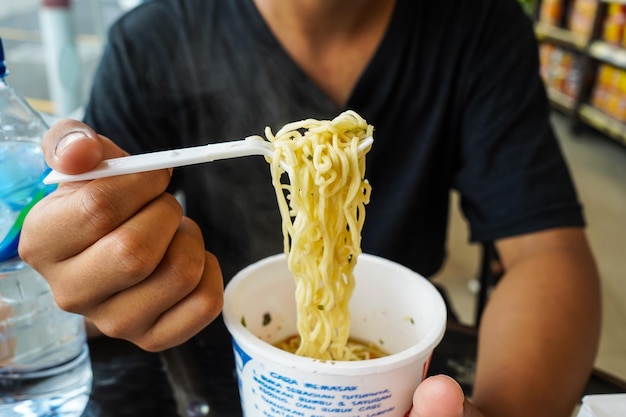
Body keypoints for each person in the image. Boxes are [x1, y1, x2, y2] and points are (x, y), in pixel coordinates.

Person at [19, 0, 601, 416]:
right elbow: (98, 264)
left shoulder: (479, 26)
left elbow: (545, 250)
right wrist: (91, 270)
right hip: (216, 365)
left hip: (415, 386)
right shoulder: (151, 38)